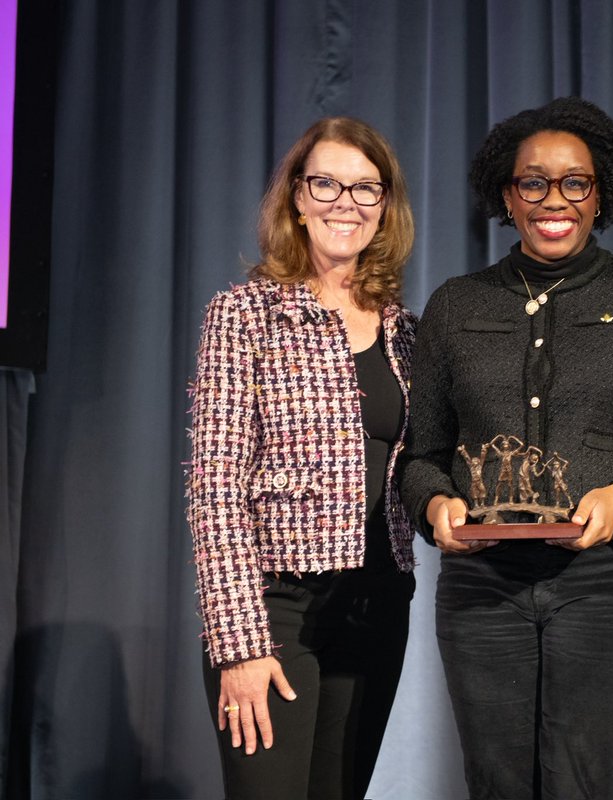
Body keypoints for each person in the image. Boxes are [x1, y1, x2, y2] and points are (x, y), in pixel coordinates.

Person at [399, 96, 613, 800]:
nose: (553, 200)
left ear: (602, 196)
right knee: (497, 784)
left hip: (604, 584)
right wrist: (436, 504)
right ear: (507, 195)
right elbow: (421, 454)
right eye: (532, 182)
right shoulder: (456, 304)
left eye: (575, 182)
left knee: (584, 786)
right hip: (481, 590)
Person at [186, 116, 418, 800]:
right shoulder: (244, 316)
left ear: (385, 205)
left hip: (376, 607)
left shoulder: (407, 331)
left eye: (364, 188)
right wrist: (239, 644)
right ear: (296, 197)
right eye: (326, 184)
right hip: (276, 611)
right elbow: (214, 490)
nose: (344, 203)